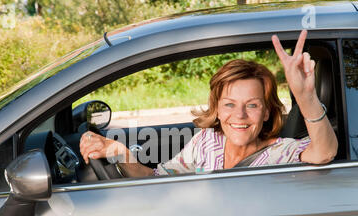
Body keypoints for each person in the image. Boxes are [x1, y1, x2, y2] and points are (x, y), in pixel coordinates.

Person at [79, 30, 338, 177]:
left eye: (252, 105)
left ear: (267, 111)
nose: (239, 115)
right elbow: (156, 181)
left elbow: (324, 152)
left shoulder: (281, 152)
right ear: (217, 108)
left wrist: (305, 97)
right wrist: (120, 152)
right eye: (229, 104)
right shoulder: (207, 142)